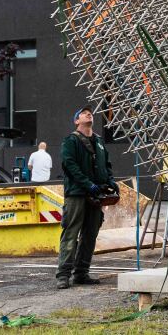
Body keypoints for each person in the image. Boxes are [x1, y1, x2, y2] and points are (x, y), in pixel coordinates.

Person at [56, 106, 118, 289]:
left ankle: (81, 273)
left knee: (90, 234)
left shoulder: (98, 141)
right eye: (83, 113)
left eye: (90, 113)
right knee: (71, 232)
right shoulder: (71, 141)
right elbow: (70, 165)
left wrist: (110, 181)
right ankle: (63, 275)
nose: (88, 114)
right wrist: (87, 184)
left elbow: (106, 164)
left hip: (96, 194)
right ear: (76, 121)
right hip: (77, 194)